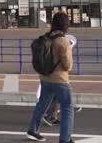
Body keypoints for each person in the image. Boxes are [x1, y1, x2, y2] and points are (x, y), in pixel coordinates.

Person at [26, 12, 74, 143]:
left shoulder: (46, 37)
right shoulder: (63, 41)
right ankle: (65, 138)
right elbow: (68, 66)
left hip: (45, 78)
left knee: (42, 105)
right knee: (68, 108)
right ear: (65, 25)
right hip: (60, 80)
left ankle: (33, 130)